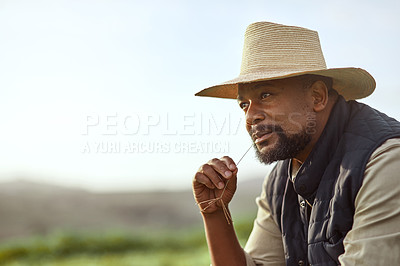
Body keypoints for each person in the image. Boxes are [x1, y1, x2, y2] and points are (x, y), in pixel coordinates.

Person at [192, 21, 400, 266]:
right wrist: (214, 213)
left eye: (265, 95)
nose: (250, 117)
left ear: (317, 96)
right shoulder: (280, 180)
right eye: (244, 104)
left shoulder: (385, 161)